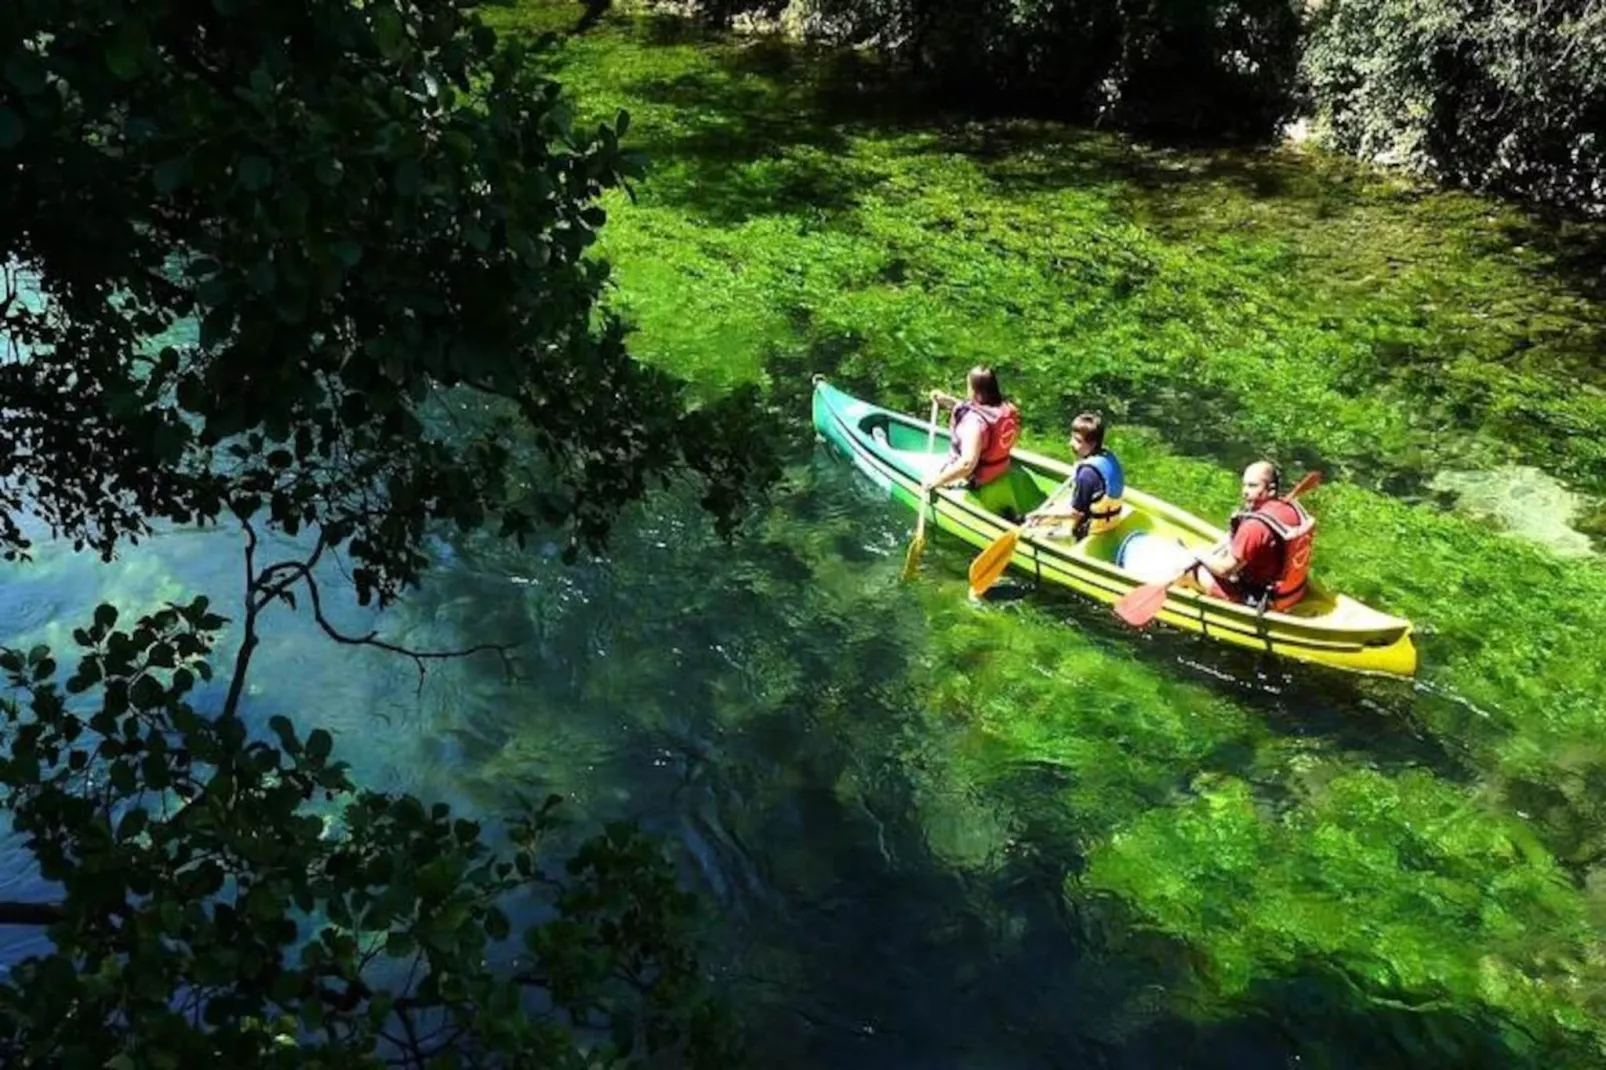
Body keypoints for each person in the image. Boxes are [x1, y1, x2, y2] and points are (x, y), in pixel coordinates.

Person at [1190, 460, 1315, 611]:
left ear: (1271, 489)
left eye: (1252, 486)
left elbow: (1225, 570)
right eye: (1244, 485)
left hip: (1263, 600)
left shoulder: (1254, 527)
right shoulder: (1291, 508)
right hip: (1294, 593)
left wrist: (1197, 554)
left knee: (1193, 570)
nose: (1245, 491)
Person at [919, 366, 1025, 516]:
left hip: (973, 477)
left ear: (974, 390)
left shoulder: (974, 424)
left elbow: (967, 464)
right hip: (1000, 468)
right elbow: (968, 407)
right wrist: (945, 400)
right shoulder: (1007, 409)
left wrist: (936, 482)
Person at [1022, 412, 1125, 540]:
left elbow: (1075, 514)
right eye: (1072, 437)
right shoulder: (1107, 457)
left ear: (1092, 444)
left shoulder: (1087, 474)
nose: (1071, 443)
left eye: (1078, 441)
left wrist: (1042, 515)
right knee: (1054, 510)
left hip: (1090, 529)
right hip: (1111, 521)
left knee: (1036, 522)